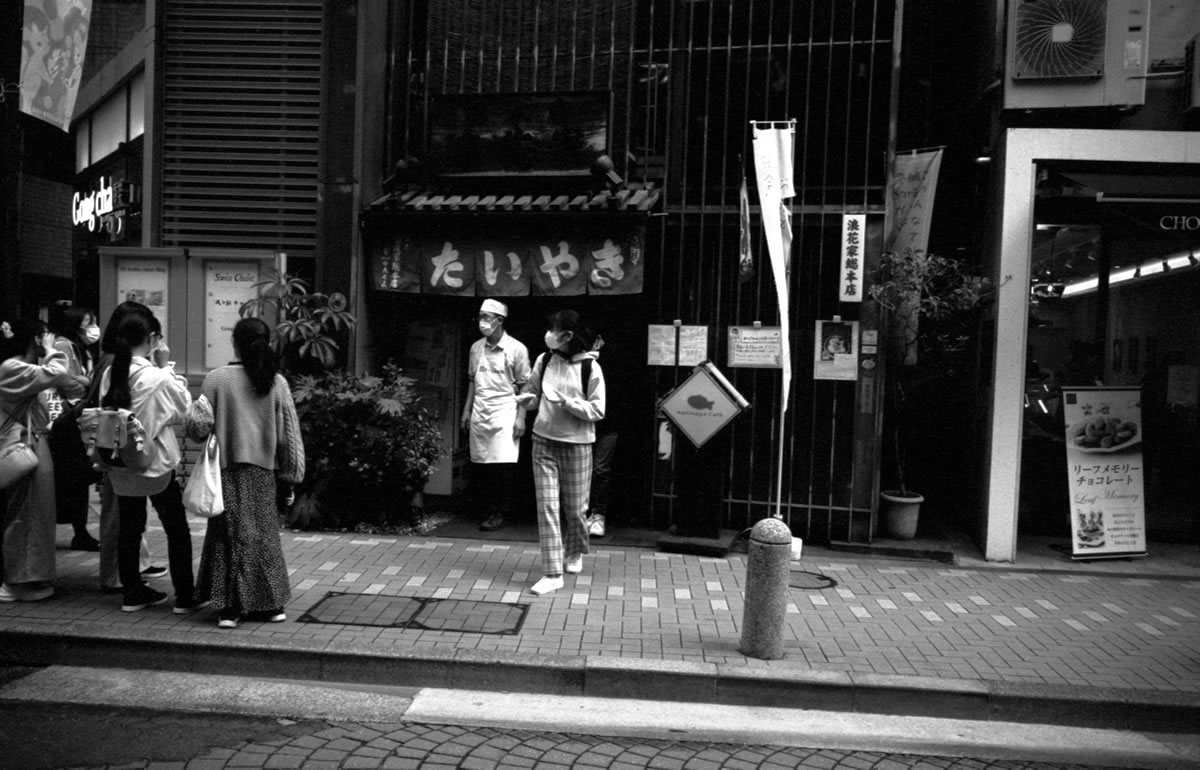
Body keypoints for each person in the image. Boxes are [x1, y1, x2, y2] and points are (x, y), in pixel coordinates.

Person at [191, 318, 305, 629]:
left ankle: (230, 607)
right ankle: (270, 605)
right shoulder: (275, 381)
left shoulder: (216, 380)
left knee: (228, 538)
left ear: (235, 344)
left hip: (225, 472)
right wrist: (290, 478)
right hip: (263, 474)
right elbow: (289, 436)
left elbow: (197, 431)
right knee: (263, 538)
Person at [99, 310, 199, 613]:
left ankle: (133, 592)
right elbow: (184, 408)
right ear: (153, 339)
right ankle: (185, 596)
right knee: (176, 528)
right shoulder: (156, 377)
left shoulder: (111, 373)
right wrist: (165, 366)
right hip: (153, 465)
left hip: (120, 464)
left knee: (131, 527)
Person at [521, 310, 605, 595]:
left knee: (575, 509)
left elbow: (597, 410)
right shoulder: (544, 360)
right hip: (543, 441)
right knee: (546, 505)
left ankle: (575, 551)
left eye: (553, 329)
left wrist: (567, 402)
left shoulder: (589, 368)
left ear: (568, 336)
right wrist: (525, 400)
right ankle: (552, 572)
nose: (548, 334)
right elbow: (533, 394)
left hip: (578, 445)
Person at [0, 318, 79, 602]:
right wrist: (52, 350)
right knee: (25, 515)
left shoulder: (21, 368)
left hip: (33, 443)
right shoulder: (11, 367)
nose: (50, 341)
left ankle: (29, 578)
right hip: (24, 445)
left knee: (36, 514)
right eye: (45, 336)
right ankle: (16, 582)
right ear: (35, 339)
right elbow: (57, 372)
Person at [95, 302, 165, 594]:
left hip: (116, 451)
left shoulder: (113, 364)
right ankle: (118, 577)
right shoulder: (116, 365)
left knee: (129, 518)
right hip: (130, 453)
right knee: (122, 519)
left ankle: (132, 573)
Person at [460, 299, 531, 532]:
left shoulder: (517, 349)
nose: (482, 322)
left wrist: (521, 417)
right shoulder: (476, 348)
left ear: (499, 321)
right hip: (481, 409)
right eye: (480, 316)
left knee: (504, 465)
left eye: (486, 317)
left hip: (505, 410)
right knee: (482, 463)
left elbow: (525, 387)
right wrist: (467, 410)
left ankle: (502, 512)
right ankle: (486, 509)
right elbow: (472, 380)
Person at [48, 303, 101, 551]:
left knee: (77, 477)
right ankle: (77, 531)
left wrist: (82, 381)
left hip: (74, 419)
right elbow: (64, 381)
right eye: (86, 322)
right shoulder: (62, 345)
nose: (91, 328)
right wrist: (84, 381)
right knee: (72, 475)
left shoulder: (81, 349)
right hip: (63, 422)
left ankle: (80, 531)